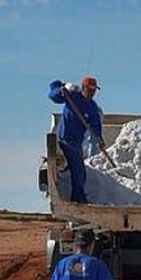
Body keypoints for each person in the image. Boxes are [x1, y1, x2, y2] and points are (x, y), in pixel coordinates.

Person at [47, 76, 105, 204]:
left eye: (94, 90)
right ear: (83, 88)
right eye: (90, 90)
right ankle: (78, 197)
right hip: (65, 138)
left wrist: (99, 139)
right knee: (78, 169)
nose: (92, 93)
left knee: (79, 170)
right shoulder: (72, 96)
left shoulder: (92, 107)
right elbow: (52, 94)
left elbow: (95, 125)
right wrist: (60, 91)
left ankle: (77, 195)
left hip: (76, 141)